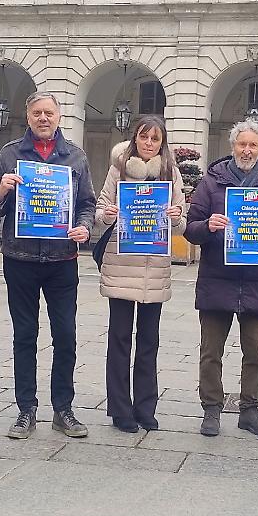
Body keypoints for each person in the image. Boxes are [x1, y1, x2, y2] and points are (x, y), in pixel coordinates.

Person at [0, 91, 96, 439]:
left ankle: (63, 409)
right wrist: (2, 191)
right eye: (37, 113)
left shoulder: (76, 156)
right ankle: (25, 410)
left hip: (62, 259)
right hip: (20, 259)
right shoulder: (9, 155)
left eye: (49, 112)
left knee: (65, 335)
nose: (43, 118)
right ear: (28, 116)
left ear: (59, 116)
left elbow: (87, 203)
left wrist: (84, 226)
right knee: (25, 336)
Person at [185, 119, 258, 439]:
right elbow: (191, 228)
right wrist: (209, 226)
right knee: (211, 352)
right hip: (218, 279)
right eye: (241, 144)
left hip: (257, 282)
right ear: (232, 147)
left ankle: (249, 409)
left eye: (253, 145)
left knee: (256, 351)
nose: (246, 150)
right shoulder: (211, 183)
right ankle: (212, 409)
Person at [95, 116, 187, 433]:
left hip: (154, 269)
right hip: (122, 265)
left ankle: (145, 407)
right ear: (135, 139)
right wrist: (106, 215)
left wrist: (176, 217)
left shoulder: (170, 172)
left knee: (149, 342)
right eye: (144, 137)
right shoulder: (118, 169)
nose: (149, 143)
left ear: (162, 143)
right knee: (119, 340)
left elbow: (182, 221)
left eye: (155, 139)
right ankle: (121, 410)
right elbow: (100, 208)